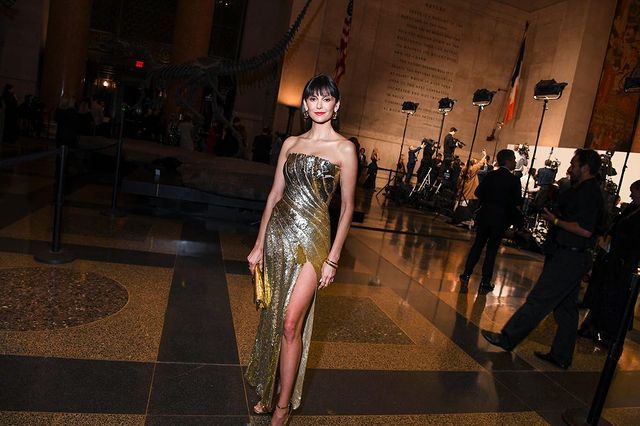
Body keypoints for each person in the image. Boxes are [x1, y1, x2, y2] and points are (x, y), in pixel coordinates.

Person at [245, 74, 356, 425]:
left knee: (291, 322)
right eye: (313, 98)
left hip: (314, 241)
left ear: (336, 105)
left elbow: (347, 207)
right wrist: (258, 245)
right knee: (274, 316)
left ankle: (283, 405)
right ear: (305, 105)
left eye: (326, 99)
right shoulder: (291, 143)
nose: (319, 105)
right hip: (278, 235)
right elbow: (274, 195)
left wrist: (333, 258)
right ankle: (268, 389)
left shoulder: (345, 149)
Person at [482, 149, 604, 370]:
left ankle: (508, 338)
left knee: (539, 299)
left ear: (585, 167)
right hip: (572, 255)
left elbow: (585, 230)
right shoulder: (584, 189)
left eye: (574, 164)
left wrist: (556, 221)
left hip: (571, 257)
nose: (570, 168)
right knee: (566, 309)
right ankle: (561, 355)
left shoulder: (590, 193)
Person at [578, 179, 640, 347]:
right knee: (603, 293)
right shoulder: (632, 208)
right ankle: (592, 327)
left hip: (623, 261)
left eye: (633, 191)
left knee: (613, 298)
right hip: (613, 257)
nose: (630, 195)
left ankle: (605, 333)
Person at [459, 149, 521, 292]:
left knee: (477, 246)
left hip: (485, 216)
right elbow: (516, 202)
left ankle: (466, 274)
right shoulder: (514, 180)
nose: (515, 162)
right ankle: (485, 281)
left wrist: (488, 201)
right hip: (501, 220)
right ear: (508, 161)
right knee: (492, 250)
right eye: (513, 159)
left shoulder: (490, 175)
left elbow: (478, 192)